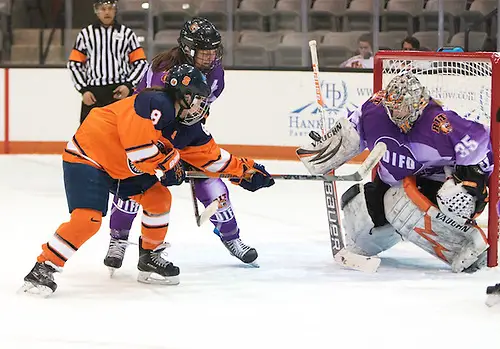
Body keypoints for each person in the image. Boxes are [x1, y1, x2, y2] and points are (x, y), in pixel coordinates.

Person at [20, 64, 274, 297]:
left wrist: (246, 172)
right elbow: (139, 150)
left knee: (159, 198)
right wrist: (170, 163)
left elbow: (213, 159)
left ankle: (149, 256)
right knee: (88, 220)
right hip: (89, 158)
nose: (201, 106)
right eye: (197, 99)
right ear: (183, 95)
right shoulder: (153, 102)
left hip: (122, 169)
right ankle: (44, 267)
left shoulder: (188, 127)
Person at [103, 17, 260, 275]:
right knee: (131, 184)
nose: (211, 58)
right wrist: (165, 156)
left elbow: (198, 110)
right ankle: (118, 239)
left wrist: (191, 141)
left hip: (185, 131)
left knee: (210, 181)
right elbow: (149, 117)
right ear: (188, 49)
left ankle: (232, 237)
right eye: (204, 52)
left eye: (213, 51)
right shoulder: (162, 69)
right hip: (147, 134)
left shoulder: (215, 71)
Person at [298, 72, 492, 273]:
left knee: (399, 201)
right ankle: (373, 240)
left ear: (419, 104)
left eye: (404, 108)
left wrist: (473, 181)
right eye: (393, 108)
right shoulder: (373, 112)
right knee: (358, 211)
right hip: (393, 182)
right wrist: (322, 152)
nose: (397, 114)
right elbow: (347, 137)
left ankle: (469, 247)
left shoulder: (441, 123)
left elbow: (484, 149)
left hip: (437, 187)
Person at [67, 0, 148, 123]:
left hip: (120, 91)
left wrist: (128, 85)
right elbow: (74, 64)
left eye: (110, 8)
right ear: (96, 11)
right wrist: (84, 90)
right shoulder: (85, 34)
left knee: (122, 133)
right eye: (103, 9)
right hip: (94, 93)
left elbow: (141, 63)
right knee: (90, 135)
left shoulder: (127, 34)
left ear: (115, 10)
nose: (107, 12)